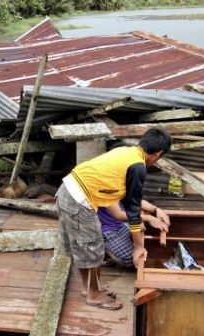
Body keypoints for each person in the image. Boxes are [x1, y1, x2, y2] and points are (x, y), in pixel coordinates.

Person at [55, 128, 172, 310]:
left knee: (84, 247)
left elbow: (129, 200)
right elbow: (132, 211)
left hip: (69, 191)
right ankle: (93, 295)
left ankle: (90, 289)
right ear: (158, 154)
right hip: (78, 199)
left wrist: (154, 211)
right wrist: (139, 247)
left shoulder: (126, 152)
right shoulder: (137, 166)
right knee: (92, 248)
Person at [99, 200, 170, 268]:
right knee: (132, 259)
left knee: (145, 249)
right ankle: (104, 249)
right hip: (108, 229)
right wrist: (149, 218)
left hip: (124, 222)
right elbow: (119, 214)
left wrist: (157, 210)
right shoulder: (104, 188)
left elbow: (134, 200)